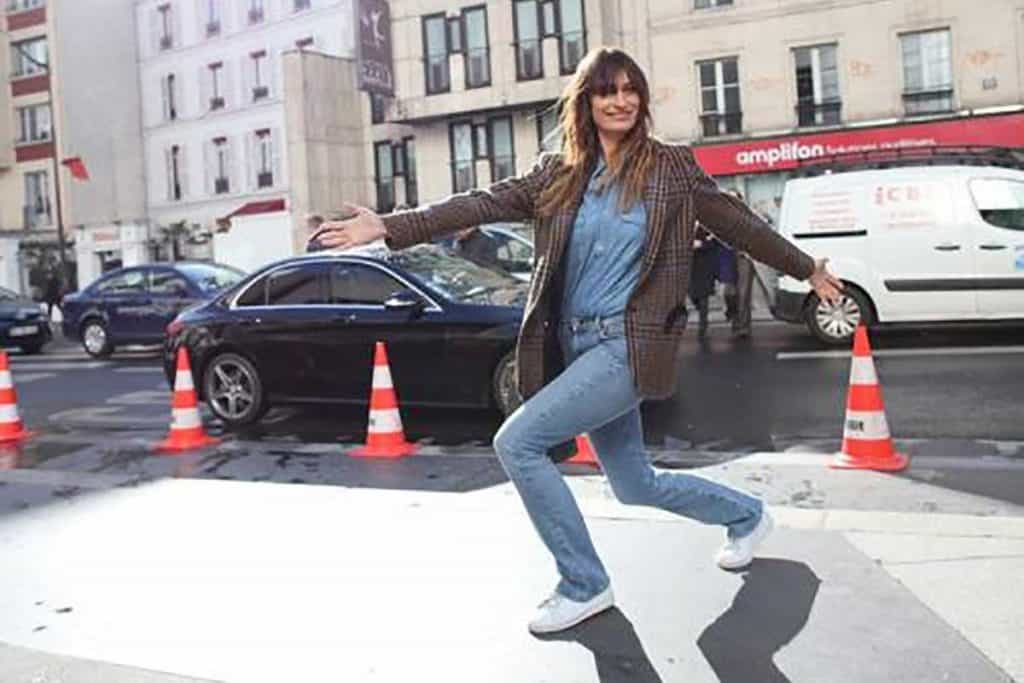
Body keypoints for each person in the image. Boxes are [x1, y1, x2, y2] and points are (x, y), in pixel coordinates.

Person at [312, 47, 842, 635]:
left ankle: (584, 583)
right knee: (634, 484)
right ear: (586, 102)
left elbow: (737, 222)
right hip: (577, 345)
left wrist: (806, 268)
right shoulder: (560, 172)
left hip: (628, 345)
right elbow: (480, 202)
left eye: (629, 89)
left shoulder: (671, 168)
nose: (620, 101)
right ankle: (746, 515)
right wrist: (389, 225)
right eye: (606, 91)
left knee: (518, 442)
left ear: (641, 99)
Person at [688, 224, 719, 340]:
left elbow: (715, 243)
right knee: (692, 295)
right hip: (691, 265)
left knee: (703, 297)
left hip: (705, 265)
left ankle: (703, 328)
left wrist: (701, 244)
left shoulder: (707, 226)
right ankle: (700, 311)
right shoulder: (685, 224)